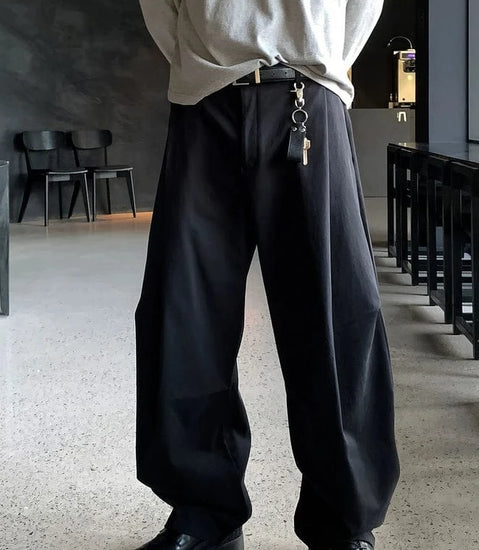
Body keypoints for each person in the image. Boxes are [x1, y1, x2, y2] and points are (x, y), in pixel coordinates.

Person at [134, 2, 399, 550]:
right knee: (184, 313)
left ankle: (344, 523)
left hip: (309, 96)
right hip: (206, 102)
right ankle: (203, 516)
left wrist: (322, 59)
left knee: (337, 317)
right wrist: (199, 62)